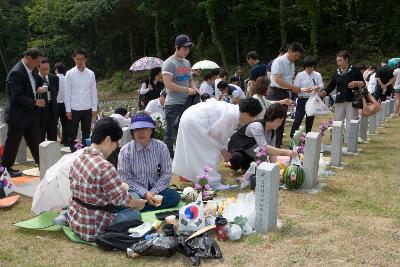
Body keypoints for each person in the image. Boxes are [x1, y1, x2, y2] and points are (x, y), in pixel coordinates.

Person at [67, 118, 146, 242]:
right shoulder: (105, 166)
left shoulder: (79, 158)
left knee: (132, 195)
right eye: (116, 144)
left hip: (76, 218)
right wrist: (140, 204)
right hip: (94, 226)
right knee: (135, 214)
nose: (115, 148)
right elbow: (122, 199)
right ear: (107, 140)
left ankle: (64, 216)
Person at [173, 98, 262, 188]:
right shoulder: (231, 114)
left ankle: (194, 175)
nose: (253, 120)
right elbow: (214, 136)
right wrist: (223, 150)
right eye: (253, 117)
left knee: (195, 150)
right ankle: (211, 182)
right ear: (246, 114)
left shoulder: (232, 110)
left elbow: (219, 136)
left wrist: (223, 148)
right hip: (195, 121)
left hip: (191, 117)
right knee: (208, 152)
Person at [118, 114, 181, 211]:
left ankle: (139, 207)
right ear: (132, 132)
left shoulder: (161, 147)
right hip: (136, 190)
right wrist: (145, 193)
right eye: (136, 130)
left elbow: (166, 172)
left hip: (156, 187)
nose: (140, 133)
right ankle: (144, 204)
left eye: (144, 129)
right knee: (133, 198)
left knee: (175, 197)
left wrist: (153, 192)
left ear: (151, 130)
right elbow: (125, 178)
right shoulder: (125, 150)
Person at [2, 48, 45, 177]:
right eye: (37, 61)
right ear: (29, 58)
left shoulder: (31, 71)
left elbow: (36, 82)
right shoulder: (16, 72)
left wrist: (39, 88)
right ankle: (5, 169)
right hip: (17, 115)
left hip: (30, 115)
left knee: (36, 140)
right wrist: (35, 102)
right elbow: (17, 96)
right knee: (13, 143)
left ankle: (43, 164)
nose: (38, 65)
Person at [228, 104, 296, 171]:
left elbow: (272, 152)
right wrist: (285, 152)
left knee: (255, 168)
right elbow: (264, 147)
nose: (280, 124)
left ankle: (244, 166)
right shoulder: (257, 126)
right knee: (236, 158)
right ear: (270, 117)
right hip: (239, 150)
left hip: (251, 155)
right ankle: (233, 164)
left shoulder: (272, 133)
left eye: (281, 121)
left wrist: (274, 167)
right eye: (278, 121)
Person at [162, 34, 197, 158]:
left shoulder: (187, 63)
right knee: (170, 132)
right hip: (173, 103)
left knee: (186, 130)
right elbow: (168, 84)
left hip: (187, 102)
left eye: (188, 49)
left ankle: (183, 155)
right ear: (177, 47)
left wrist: (194, 89)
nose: (187, 51)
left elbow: (190, 80)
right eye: (184, 49)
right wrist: (186, 90)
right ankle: (168, 157)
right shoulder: (169, 63)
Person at [267, 42, 308, 148]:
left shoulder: (292, 64)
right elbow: (278, 79)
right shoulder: (279, 61)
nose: (296, 58)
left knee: (281, 120)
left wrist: (297, 89)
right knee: (273, 119)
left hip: (285, 92)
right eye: (295, 55)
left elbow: (289, 81)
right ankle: (270, 144)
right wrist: (293, 88)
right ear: (289, 51)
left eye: (298, 56)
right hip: (275, 92)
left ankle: (278, 143)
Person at [319, 51, 365, 142]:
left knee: (351, 121)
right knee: (337, 121)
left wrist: (356, 83)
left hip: (352, 100)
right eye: (337, 61)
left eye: (340, 60)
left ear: (346, 60)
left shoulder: (354, 70)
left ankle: (350, 141)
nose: (338, 63)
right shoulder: (336, 73)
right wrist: (319, 94)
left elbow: (363, 83)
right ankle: (337, 140)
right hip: (340, 100)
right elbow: (330, 87)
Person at [65, 48, 98, 152]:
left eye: (82, 59)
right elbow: (67, 93)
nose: (79, 61)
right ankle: (73, 152)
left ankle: (85, 152)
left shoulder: (91, 74)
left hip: (87, 108)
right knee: (72, 133)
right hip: (74, 108)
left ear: (85, 60)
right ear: (74, 59)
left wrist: (94, 108)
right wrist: (68, 109)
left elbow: (93, 92)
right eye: (77, 59)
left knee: (86, 133)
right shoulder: (69, 73)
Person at [289, 56, 324, 137]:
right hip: (302, 99)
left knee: (310, 120)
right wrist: (303, 90)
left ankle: (308, 137)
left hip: (312, 99)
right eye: (308, 67)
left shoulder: (317, 75)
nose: (310, 69)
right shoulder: (300, 75)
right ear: (305, 67)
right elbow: (296, 88)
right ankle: (293, 136)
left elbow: (321, 85)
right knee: (298, 119)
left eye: (312, 67)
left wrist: (317, 87)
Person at [38, 58, 59, 142]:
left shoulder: (54, 78)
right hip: (39, 109)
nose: (45, 71)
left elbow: (56, 92)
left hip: (51, 108)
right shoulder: (34, 78)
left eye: (47, 69)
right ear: (38, 68)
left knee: (52, 135)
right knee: (40, 136)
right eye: (43, 69)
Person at [55, 62, 70, 146]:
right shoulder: (67, 79)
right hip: (65, 104)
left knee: (54, 123)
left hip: (56, 104)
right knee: (66, 124)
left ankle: (53, 140)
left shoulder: (54, 78)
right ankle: (65, 140)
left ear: (56, 70)